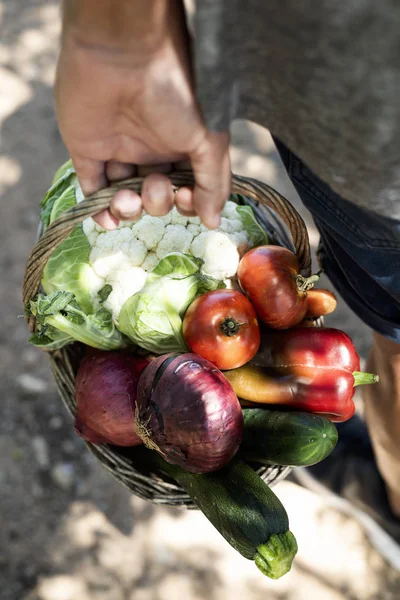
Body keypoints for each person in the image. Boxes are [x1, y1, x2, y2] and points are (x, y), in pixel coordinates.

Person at [56, 0, 400, 556]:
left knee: (398, 328)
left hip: (357, 106)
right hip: (357, 99)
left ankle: (396, 502)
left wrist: (118, 42)